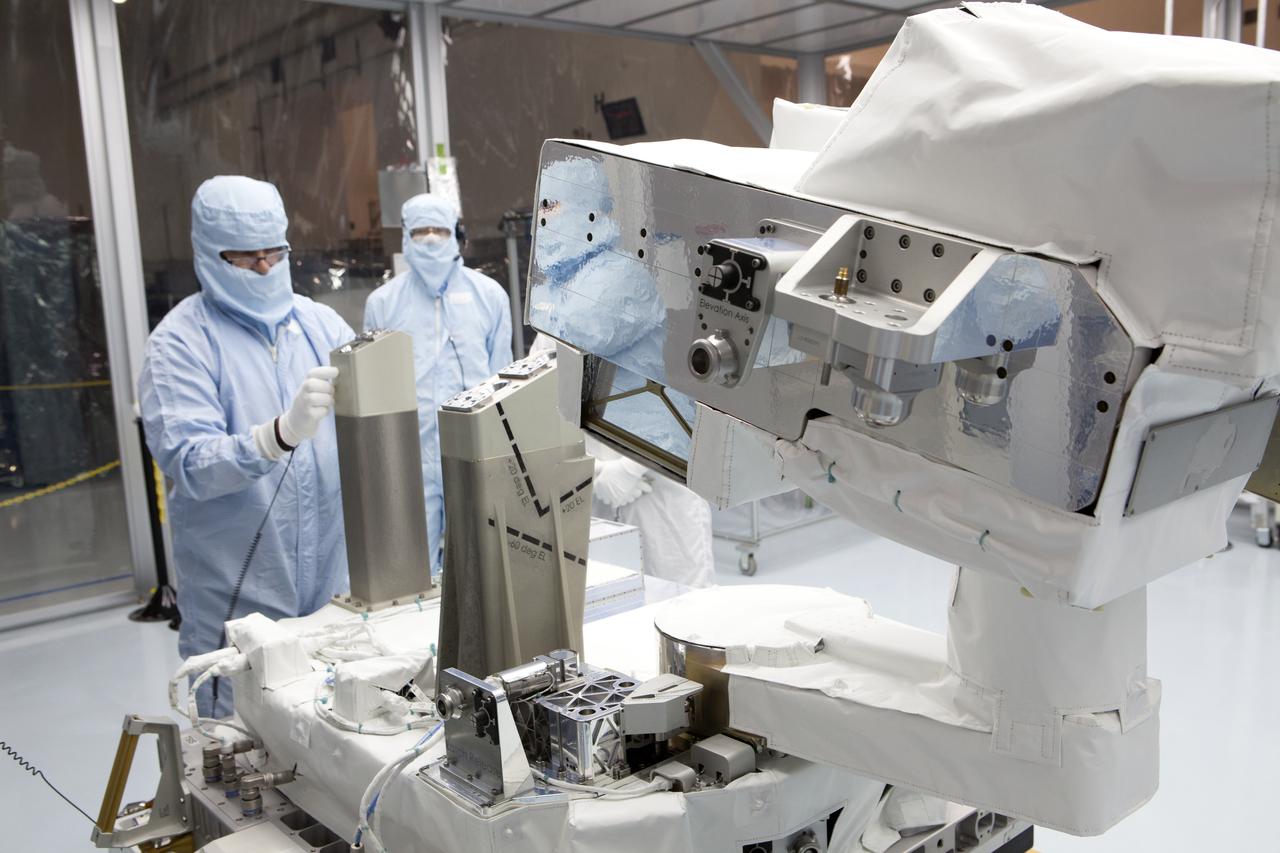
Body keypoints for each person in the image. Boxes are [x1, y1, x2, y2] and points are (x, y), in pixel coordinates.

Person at [139, 176, 354, 716]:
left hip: (330, 593)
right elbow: (189, 464)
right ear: (210, 256)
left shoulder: (320, 323)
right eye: (246, 259)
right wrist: (274, 437)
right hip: (235, 603)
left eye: (274, 254)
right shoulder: (180, 343)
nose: (264, 269)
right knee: (239, 761)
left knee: (330, 749)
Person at [363, 194, 512, 574]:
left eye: (440, 230)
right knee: (412, 565)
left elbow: (504, 379)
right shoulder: (384, 303)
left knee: (481, 560)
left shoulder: (489, 295)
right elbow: (373, 386)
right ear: (405, 239)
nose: (430, 239)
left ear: (457, 235)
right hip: (410, 453)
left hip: (475, 449)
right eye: (421, 231)